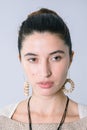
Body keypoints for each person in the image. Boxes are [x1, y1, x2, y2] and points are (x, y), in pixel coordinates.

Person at [0, 8, 87, 130]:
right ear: (21, 60)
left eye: (56, 58)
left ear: (70, 58)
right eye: (33, 59)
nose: (45, 72)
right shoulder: (3, 120)